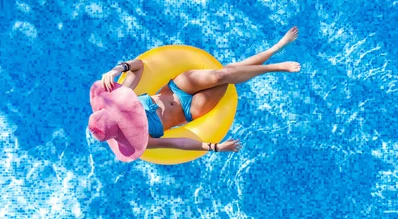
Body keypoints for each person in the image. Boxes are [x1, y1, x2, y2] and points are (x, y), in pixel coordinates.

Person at [88, 27, 300, 162]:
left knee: (222, 75)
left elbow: (139, 67)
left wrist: (118, 69)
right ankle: (274, 50)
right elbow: (176, 143)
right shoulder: (141, 140)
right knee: (227, 77)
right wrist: (215, 147)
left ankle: (275, 65)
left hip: (178, 87)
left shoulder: (123, 99)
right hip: (190, 111)